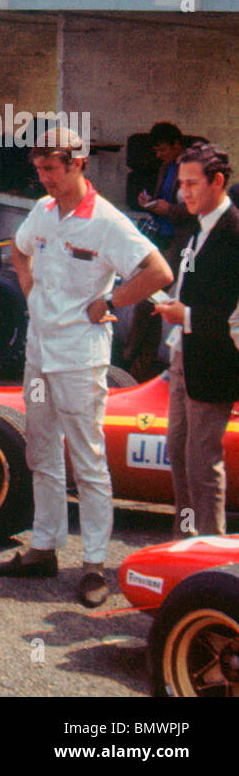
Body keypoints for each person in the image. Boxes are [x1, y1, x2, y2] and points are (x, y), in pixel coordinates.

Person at [0, 128, 171, 607]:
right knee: (41, 449)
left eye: (51, 169)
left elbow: (159, 273)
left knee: (88, 458)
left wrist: (111, 300)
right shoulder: (43, 211)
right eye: (39, 169)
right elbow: (19, 248)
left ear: (77, 165)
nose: (44, 178)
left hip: (80, 358)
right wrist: (29, 291)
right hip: (39, 353)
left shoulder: (107, 221)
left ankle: (94, 564)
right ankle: (44, 547)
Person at [153, 144, 238, 537]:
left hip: (215, 362)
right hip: (184, 354)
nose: (182, 192)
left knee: (203, 462)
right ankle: (184, 541)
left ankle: (209, 553)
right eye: (180, 183)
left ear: (218, 182)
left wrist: (182, 314)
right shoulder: (199, 226)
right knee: (180, 456)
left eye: (191, 184)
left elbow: (229, 314)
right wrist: (177, 307)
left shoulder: (234, 232)